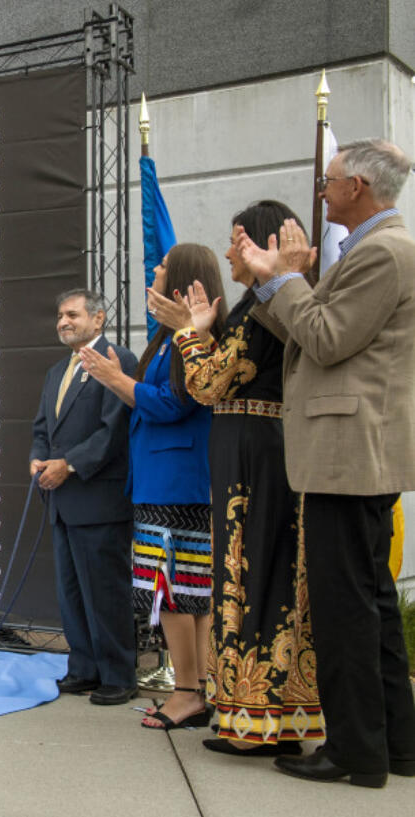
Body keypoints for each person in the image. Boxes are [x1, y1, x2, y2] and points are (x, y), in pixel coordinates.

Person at [234, 139, 415, 788]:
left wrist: (282, 278)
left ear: (359, 186)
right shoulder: (375, 248)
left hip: (349, 454)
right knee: (370, 602)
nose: (321, 188)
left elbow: (327, 337)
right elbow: (316, 334)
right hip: (353, 452)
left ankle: (355, 751)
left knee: (345, 608)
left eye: (330, 179)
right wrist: (275, 283)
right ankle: (394, 743)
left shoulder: (384, 253)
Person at [148, 201, 322, 757]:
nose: (227, 252)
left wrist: (188, 333)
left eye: (236, 241)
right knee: (262, 582)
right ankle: (269, 718)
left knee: (248, 581)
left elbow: (207, 384)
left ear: (260, 244)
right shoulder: (263, 305)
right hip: (255, 449)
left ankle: (254, 722)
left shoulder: (262, 309)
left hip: (252, 456)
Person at [78, 245, 222, 728]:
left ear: (179, 281)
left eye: (161, 269)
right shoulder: (167, 338)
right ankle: (197, 689)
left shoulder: (193, 338)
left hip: (176, 483)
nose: (153, 273)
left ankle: (185, 692)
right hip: (165, 480)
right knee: (188, 592)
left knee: (176, 592)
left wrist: (115, 379)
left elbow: (173, 403)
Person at [30, 289, 138, 705]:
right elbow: (43, 427)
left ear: (99, 319)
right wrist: (38, 458)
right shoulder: (58, 370)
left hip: (98, 499)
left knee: (104, 591)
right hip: (62, 502)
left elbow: (114, 431)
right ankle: (84, 668)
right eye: (59, 315)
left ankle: (117, 675)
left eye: (72, 314)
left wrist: (69, 464)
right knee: (72, 591)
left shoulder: (117, 360)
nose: (63, 321)